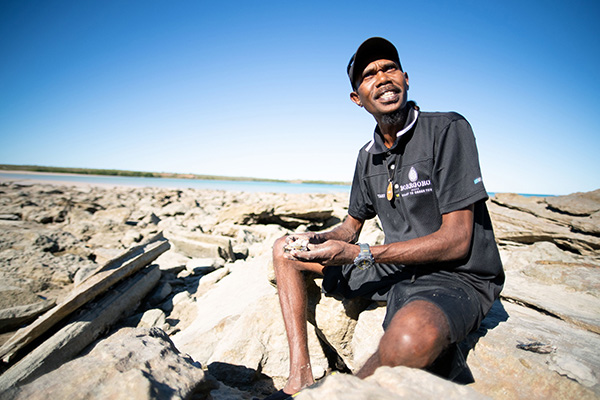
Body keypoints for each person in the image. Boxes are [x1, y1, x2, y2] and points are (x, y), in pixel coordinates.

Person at [266, 37, 504, 400]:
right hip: (395, 268)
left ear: (406, 79)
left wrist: (362, 254)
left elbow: (458, 240)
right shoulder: (367, 157)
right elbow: (351, 226)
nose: (382, 77)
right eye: (369, 74)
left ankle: (337, 395)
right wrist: (318, 239)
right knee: (285, 248)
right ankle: (300, 375)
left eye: (389, 68)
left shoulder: (447, 129)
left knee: (409, 337)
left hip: (456, 275)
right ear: (357, 99)